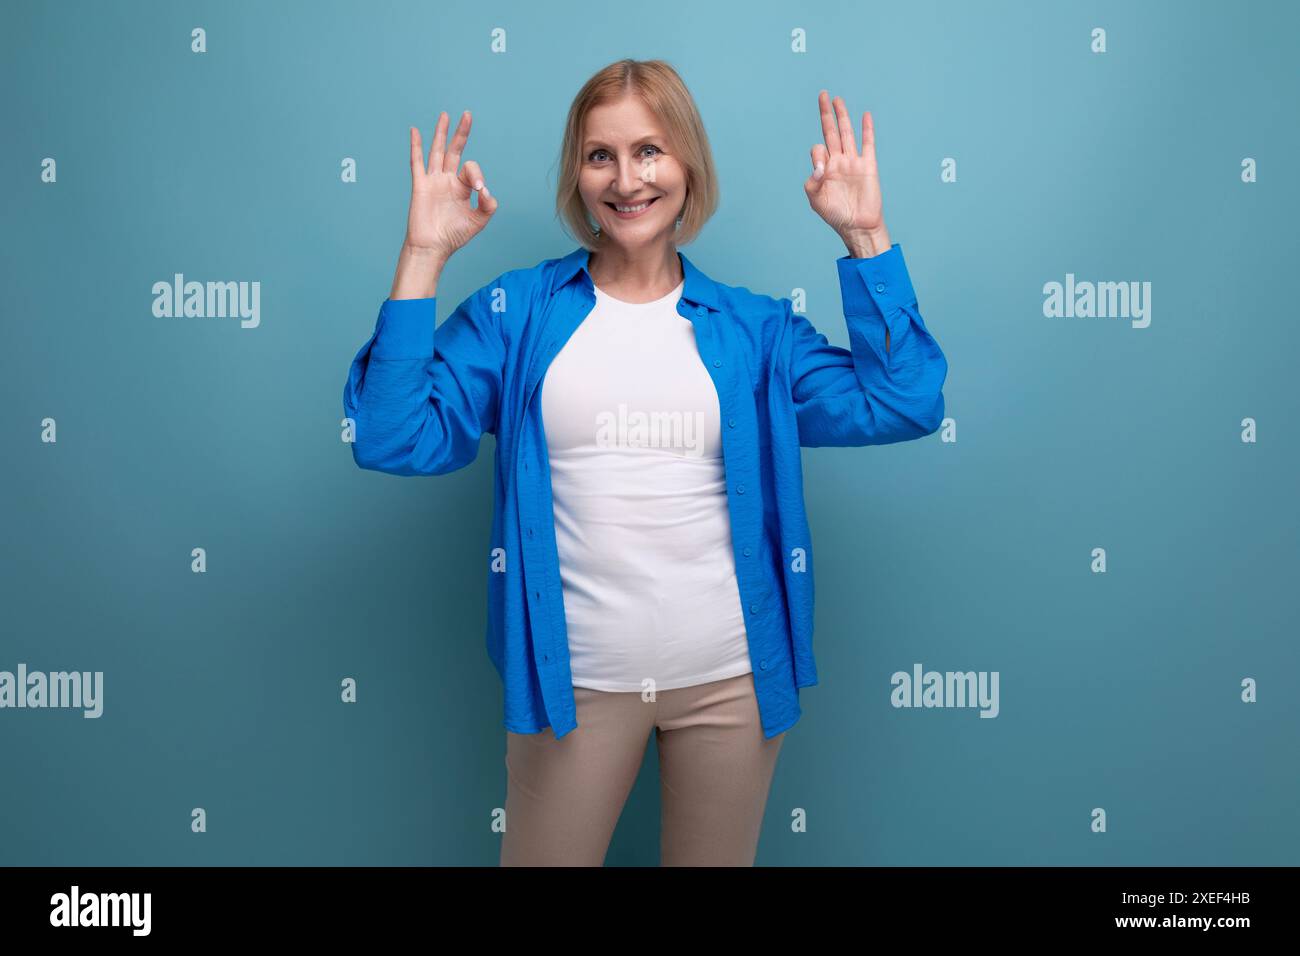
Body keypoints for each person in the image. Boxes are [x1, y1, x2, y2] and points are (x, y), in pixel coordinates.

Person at [343, 58, 948, 866]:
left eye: (650, 151)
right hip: (576, 688)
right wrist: (422, 255)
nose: (627, 179)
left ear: (688, 165)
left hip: (731, 680)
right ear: (577, 174)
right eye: (601, 155)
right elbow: (390, 435)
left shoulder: (753, 330)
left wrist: (865, 237)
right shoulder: (517, 314)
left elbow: (904, 401)